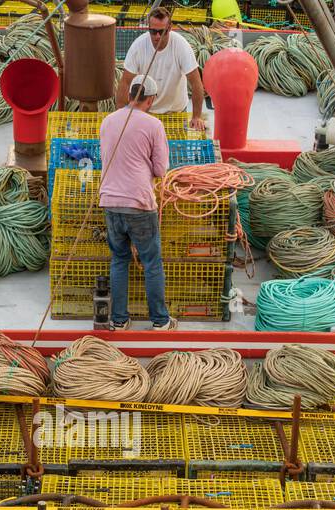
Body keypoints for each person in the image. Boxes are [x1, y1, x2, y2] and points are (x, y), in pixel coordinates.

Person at [99, 74, 172, 330]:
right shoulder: (153, 125)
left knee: (119, 259)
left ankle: (119, 321)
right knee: (151, 261)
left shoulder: (107, 121)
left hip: (110, 201)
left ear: (130, 95)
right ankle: (160, 321)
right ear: (151, 99)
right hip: (139, 204)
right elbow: (162, 169)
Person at [118, 7, 206, 130]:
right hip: (146, 112)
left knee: (175, 149)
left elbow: (196, 83)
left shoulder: (181, 46)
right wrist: (121, 116)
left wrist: (196, 116)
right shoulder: (138, 46)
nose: (157, 36)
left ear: (169, 28)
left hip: (176, 112)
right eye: (153, 31)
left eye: (162, 32)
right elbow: (125, 83)